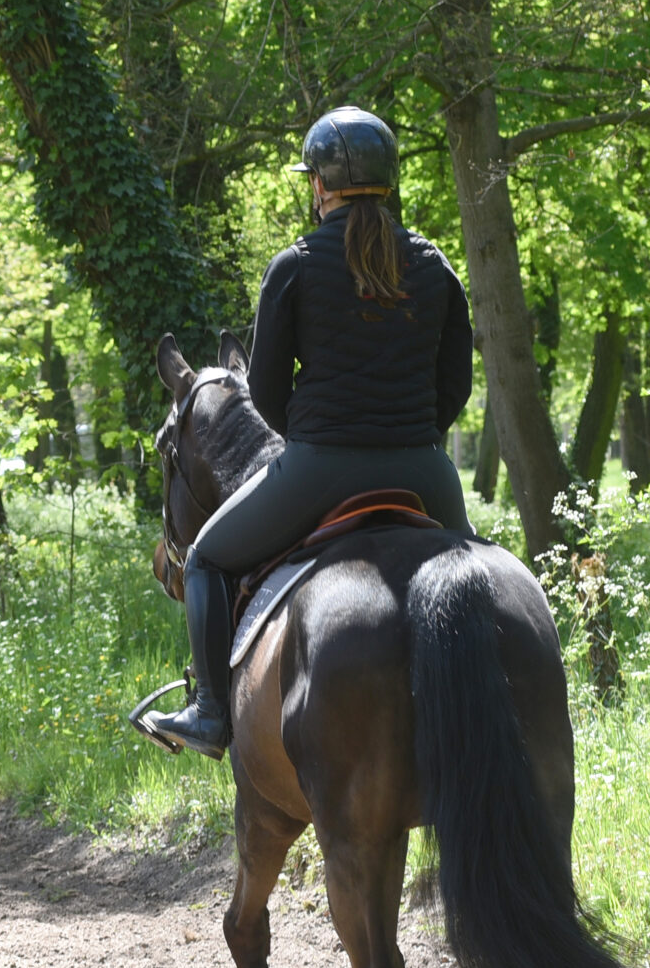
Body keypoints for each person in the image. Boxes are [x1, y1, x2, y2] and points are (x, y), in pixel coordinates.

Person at [141, 106, 475, 759]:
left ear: (319, 185)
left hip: (320, 468)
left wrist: (319, 437)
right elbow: (455, 384)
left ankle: (211, 714)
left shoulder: (293, 266)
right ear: (389, 181)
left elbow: (263, 390)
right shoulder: (435, 265)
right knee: (479, 577)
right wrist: (413, 435)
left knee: (206, 557)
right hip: (423, 469)